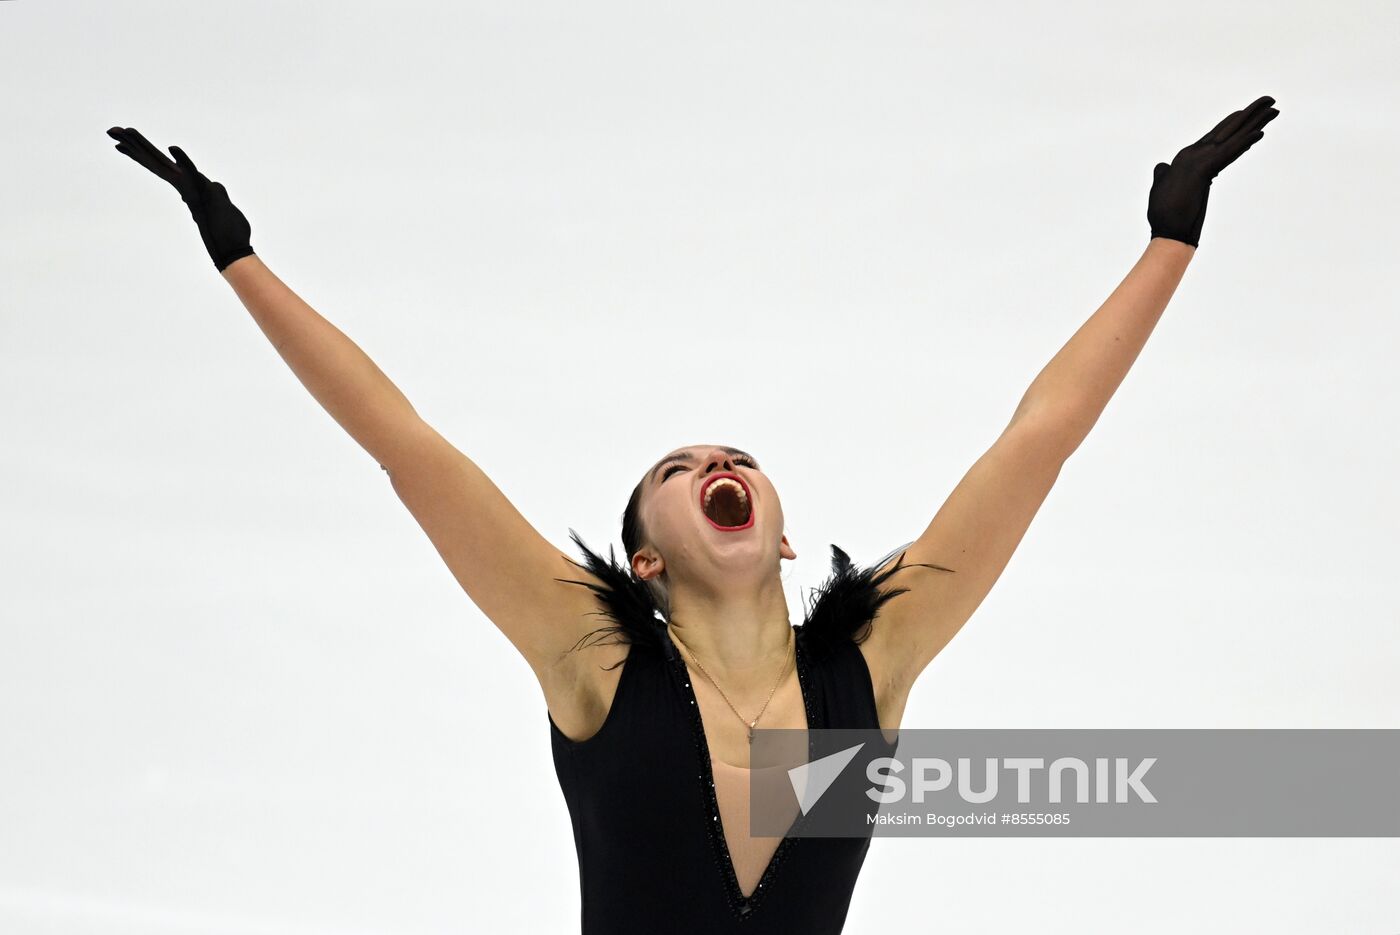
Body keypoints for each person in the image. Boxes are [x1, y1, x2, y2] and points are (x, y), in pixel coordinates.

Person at [104, 93, 1280, 933]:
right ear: (644, 556)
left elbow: (1038, 437)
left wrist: (1166, 242)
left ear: (776, 530)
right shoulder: (592, 664)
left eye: (737, 459)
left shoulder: (872, 660)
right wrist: (240, 260)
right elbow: (405, 446)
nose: (715, 461)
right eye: (677, 467)